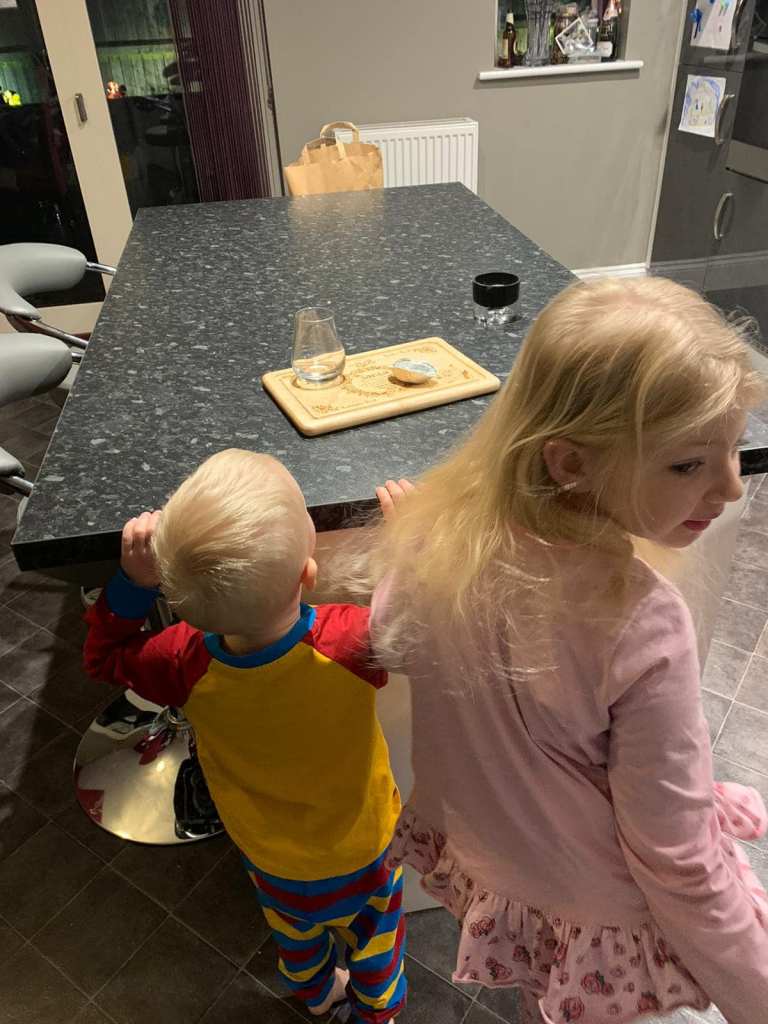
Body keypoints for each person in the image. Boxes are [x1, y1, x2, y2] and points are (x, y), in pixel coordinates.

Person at [363, 277, 768, 1024]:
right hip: (607, 913)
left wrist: (409, 544)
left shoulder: (440, 545)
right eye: (688, 464)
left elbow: (391, 640)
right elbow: (676, 860)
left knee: (545, 987)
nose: (731, 488)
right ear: (570, 463)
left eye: (734, 449)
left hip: (506, 871)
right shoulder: (643, 623)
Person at [83, 450, 406, 1024]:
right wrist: (412, 550)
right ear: (309, 574)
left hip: (266, 852)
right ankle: (376, 1012)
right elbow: (433, 626)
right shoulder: (349, 641)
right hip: (364, 848)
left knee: (295, 934)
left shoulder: (179, 658)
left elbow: (104, 656)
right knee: (376, 939)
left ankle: (315, 993)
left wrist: (133, 585)